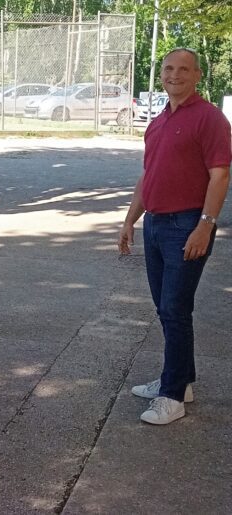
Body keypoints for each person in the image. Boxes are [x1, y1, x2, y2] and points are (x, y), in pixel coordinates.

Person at [119, 48, 231, 425]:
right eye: (168, 68)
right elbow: (147, 176)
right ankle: (181, 381)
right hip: (154, 224)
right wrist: (130, 221)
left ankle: (172, 395)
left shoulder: (209, 118)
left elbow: (220, 175)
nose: (174, 74)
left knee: (174, 309)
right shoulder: (158, 121)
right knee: (166, 309)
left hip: (186, 225)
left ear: (197, 75)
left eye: (184, 69)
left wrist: (205, 225)